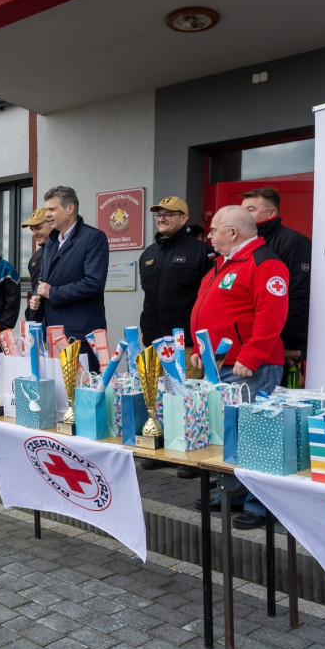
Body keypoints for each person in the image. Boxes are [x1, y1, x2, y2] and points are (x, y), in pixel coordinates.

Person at [190, 205, 289, 530]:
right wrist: (202, 353)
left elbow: (271, 315)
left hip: (250, 368)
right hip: (223, 365)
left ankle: (259, 505)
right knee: (230, 434)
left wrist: (251, 355)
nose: (209, 235)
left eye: (214, 229)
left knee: (256, 436)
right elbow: (211, 313)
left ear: (232, 232)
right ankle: (232, 492)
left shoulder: (264, 263)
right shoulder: (223, 264)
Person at [137, 196, 212, 477]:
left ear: (184, 218)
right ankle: (161, 447)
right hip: (155, 342)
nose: (162, 218)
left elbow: (207, 300)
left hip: (186, 344)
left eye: (170, 213)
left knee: (186, 401)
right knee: (158, 399)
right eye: (159, 214)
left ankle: (190, 456)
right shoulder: (149, 253)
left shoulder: (201, 252)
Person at [31, 186, 109, 372]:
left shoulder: (93, 238)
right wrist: (37, 296)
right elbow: (44, 279)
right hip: (53, 332)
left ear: (70, 208)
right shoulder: (51, 242)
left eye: (52, 209)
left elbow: (93, 284)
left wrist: (53, 293)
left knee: (84, 388)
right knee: (59, 388)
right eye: (47, 209)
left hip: (82, 335)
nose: (47, 214)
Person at [240, 187, 311, 384]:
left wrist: (290, 344)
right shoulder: (242, 244)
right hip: (246, 348)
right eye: (242, 210)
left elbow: (299, 295)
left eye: (251, 209)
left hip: (279, 350)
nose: (244, 215)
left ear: (271, 212)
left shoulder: (294, 242)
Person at [21, 208, 49, 323]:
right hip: (40, 320)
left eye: (38, 227)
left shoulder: (67, 251)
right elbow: (35, 292)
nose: (34, 234)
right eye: (32, 229)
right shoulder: (35, 258)